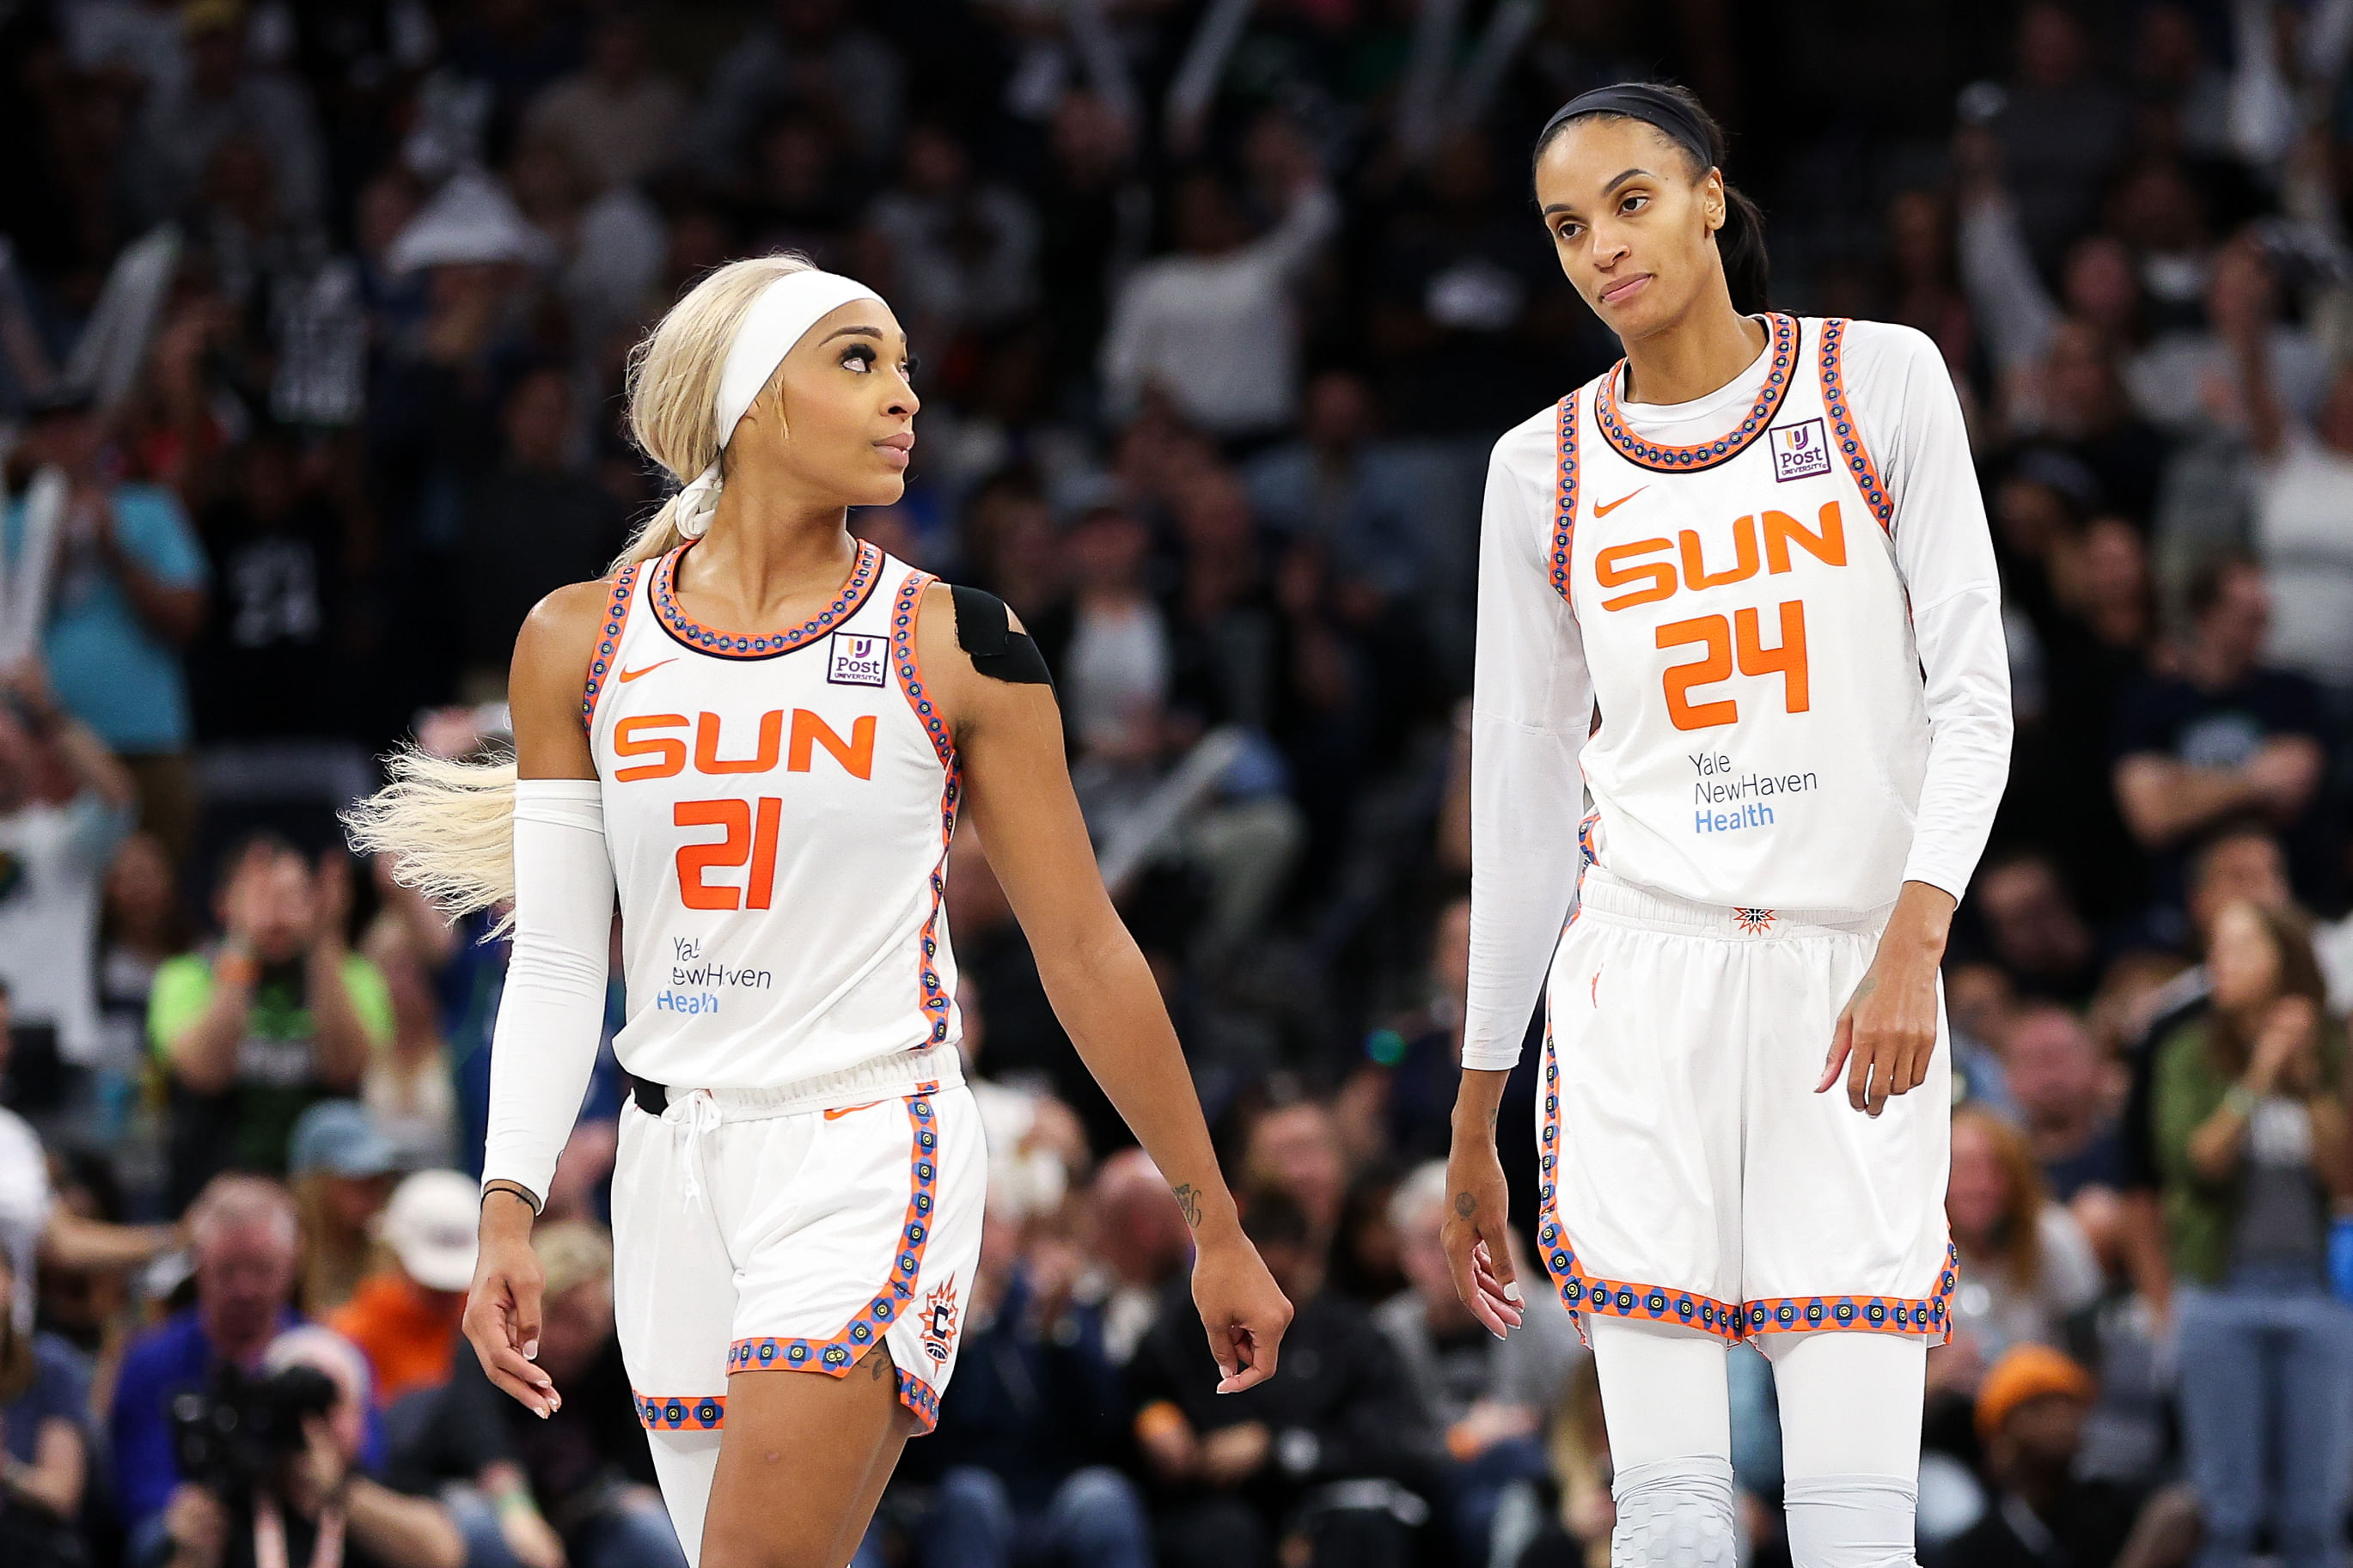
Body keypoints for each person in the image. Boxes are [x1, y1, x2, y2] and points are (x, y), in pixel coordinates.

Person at [344, 254, 1291, 1567]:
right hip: (669, 1168)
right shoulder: (576, 638)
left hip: (864, 1139)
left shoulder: (958, 639)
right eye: (859, 359)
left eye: (904, 364)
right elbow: (561, 961)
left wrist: (1214, 1221)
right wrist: (506, 1204)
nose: (906, 395)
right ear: (749, 400)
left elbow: (1085, 949)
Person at [1445, 82, 2011, 1568]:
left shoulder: (1877, 381)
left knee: (1850, 1525)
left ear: (1707, 195)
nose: (1600, 247)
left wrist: (1914, 933)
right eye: (1567, 226)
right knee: (1672, 1516)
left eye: (1630, 200)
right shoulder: (1538, 469)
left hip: (1847, 977)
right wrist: (1471, 1101)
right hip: (1639, 980)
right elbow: (1517, 799)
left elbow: (1973, 692)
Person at [2148, 900, 2353, 1568]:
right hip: (2220, 1292)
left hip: (2320, 1296)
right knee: (2227, 1513)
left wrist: (2311, 1081)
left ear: (2283, 958)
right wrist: (2261, 1072)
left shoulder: (2336, 1049)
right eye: (2217, 948)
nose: (2220, 964)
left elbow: (2345, 1176)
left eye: (2240, 947)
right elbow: (2199, 1161)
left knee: (2314, 1515)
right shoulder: (2188, 1053)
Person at [388, 1221, 685, 1568]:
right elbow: (483, 1442)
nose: (569, 1339)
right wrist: (518, 1512)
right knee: (489, 1531)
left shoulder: (615, 1355)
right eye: (558, 1317)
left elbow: (635, 1453)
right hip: (469, 1487)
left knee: (645, 1524)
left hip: (577, 1502)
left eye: (586, 1322)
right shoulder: (492, 1346)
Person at [150, 838, 393, 1208]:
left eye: (293, 898)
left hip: (324, 1207)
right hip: (212, 1197)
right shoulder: (184, 976)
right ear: (222, 905)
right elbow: (204, 1072)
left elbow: (346, 1069)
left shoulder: (355, 976)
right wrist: (244, 943)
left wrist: (326, 939)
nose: (276, 915)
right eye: (260, 897)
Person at [1374, 1160, 1583, 1568]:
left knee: (1509, 1489)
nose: (1453, 1255)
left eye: (1471, 1237)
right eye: (1431, 1243)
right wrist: (1465, 1441)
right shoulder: (1388, 1333)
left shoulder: (1540, 1317)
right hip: (1432, 1496)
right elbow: (1389, 1442)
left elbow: (1581, 1399)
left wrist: (1520, 1293)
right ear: (1403, 1256)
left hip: (1535, 1489)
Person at [153, 1324, 464, 1568]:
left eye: (329, 1406)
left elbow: (444, 1555)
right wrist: (193, 1554)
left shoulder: (387, 1486)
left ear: (360, 1417)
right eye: (296, 1409)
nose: (312, 1426)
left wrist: (340, 1492)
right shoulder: (233, 1499)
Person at [112, 1176, 304, 1546]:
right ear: (198, 1267)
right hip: (192, 1534)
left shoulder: (327, 1356)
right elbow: (136, 1489)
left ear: (291, 1266)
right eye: (228, 1270)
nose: (245, 1289)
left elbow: (368, 1463)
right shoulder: (149, 1362)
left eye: (262, 1269)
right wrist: (178, 1508)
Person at [0, 658, 138, 1111]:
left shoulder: (62, 838)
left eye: (9, 737)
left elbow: (119, 799)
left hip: (65, 1047)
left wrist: (49, 713)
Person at [1922, 1345, 2196, 1568]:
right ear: (2001, 1440)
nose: (2060, 1421)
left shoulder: (2113, 1511)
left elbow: (2179, 1510)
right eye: (2038, 1408)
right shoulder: (1973, 1550)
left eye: (2070, 1406)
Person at [328, 1170, 477, 1408]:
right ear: (396, 1255)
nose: (444, 1294)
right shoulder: (355, 1333)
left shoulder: (490, 1326)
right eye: (432, 1285)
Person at [0, 1248, 93, 1568]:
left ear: (11, 1282)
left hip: (30, 1542)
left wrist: (7, 1470)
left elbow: (63, 1493)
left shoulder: (50, 1366)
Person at [287, 1100, 400, 1315]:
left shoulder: (391, 1253)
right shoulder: (285, 1266)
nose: (375, 1189)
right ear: (314, 1185)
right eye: (358, 1177)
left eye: (379, 1178)